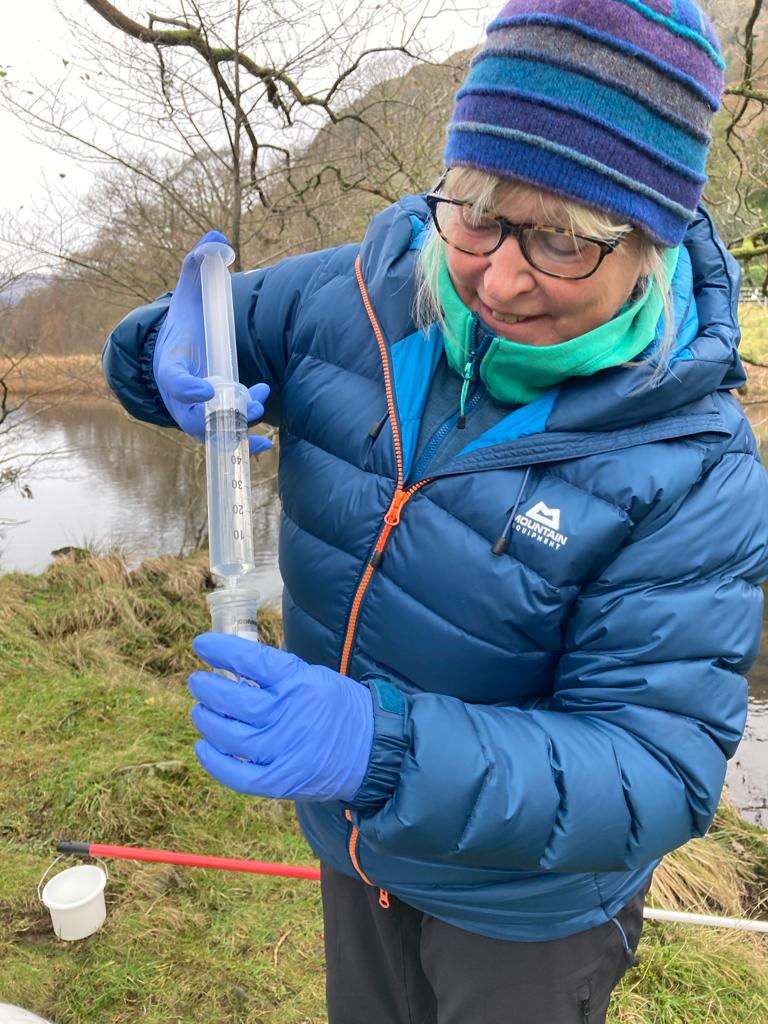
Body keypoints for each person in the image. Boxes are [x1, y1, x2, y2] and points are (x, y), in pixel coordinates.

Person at [103, 1, 768, 1021]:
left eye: (562, 241)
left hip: (529, 909)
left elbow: (657, 764)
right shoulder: (361, 290)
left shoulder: (693, 465)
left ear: (650, 241)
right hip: (356, 839)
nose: (499, 277)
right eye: (476, 211)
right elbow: (196, 336)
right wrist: (158, 349)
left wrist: (380, 747)